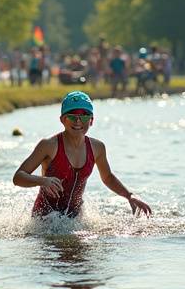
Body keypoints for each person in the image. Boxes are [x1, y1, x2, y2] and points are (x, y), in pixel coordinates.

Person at [13, 91, 152, 219]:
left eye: (84, 116)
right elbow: (18, 177)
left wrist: (129, 196)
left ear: (91, 120)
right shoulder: (49, 145)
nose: (78, 121)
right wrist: (42, 181)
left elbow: (107, 177)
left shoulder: (97, 148)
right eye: (72, 116)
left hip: (75, 218)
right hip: (44, 219)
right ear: (62, 120)